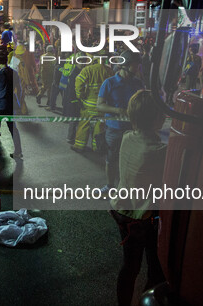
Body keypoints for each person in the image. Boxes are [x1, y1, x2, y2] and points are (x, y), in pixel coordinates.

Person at [109, 90, 166, 306]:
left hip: (121, 210)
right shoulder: (159, 150)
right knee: (155, 269)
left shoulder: (127, 137)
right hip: (142, 218)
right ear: (157, 118)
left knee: (130, 266)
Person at [97, 50, 144, 192]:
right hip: (114, 130)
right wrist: (119, 111)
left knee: (132, 161)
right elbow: (99, 105)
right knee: (111, 160)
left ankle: (127, 187)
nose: (137, 69)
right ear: (125, 65)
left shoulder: (138, 83)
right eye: (135, 66)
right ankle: (110, 186)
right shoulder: (109, 83)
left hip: (134, 130)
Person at [72, 52, 113, 152]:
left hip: (88, 105)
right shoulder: (109, 71)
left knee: (84, 125)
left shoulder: (87, 70)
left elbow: (78, 84)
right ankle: (97, 147)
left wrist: (80, 96)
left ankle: (79, 146)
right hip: (103, 106)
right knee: (99, 126)